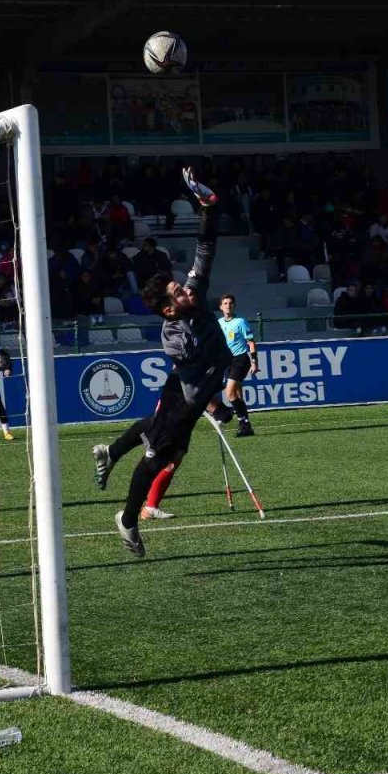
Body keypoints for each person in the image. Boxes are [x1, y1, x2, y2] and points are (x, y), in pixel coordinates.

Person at [114, 167, 234, 556]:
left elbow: (205, 248)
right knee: (157, 458)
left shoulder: (196, 293)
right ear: (169, 309)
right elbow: (192, 379)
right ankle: (129, 519)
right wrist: (214, 405)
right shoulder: (173, 337)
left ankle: (113, 455)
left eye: (181, 285)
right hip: (184, 400)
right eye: (177, 291)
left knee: (170, 453)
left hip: (195, 399)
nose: (185, 288)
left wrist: (207, 208)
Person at [218, 293, 257, 437]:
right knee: (237, 395)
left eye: (231, 303)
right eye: (225, 303)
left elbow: (251, 342)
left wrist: (254, 362)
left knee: (229, 393)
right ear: (221, 307)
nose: (228, 306)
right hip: (227, 361)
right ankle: (247, 426)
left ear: (234, 306)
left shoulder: (240, 322)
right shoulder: (219, 323)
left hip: (240, 359)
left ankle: (241, 422)